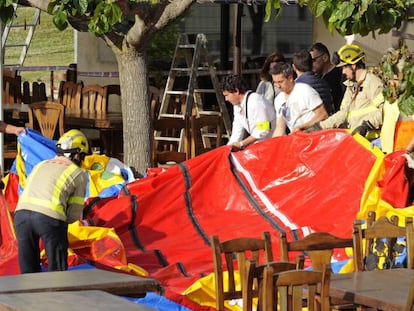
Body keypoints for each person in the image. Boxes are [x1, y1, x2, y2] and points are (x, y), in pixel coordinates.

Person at [14, 129, 89, 273]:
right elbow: (73, 216)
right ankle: (55, 294)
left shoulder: (41, 164)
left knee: (28, 272)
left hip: (21, 217)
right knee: (57, 272)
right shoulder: (77, 173)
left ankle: (29, 294)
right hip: (49, 218)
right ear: (78, 154)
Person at [307, 44, 384, 138]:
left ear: (354, 66)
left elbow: (384, 111)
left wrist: (367, 125)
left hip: (373, 143)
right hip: (358, 141)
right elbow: (343, 113)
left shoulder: (372, 82)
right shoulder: (352, 86)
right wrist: (320, 126)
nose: (343, 72)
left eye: (344, 67)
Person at [270, 62, 328, 137]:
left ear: (290, 78)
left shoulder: (305, 90)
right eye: (275, 82)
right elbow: (280, 128)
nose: (278, 86)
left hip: (314, 137)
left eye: (280, 82)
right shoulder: (278, 99)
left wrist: (303, 127)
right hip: (297, 140)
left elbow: (323, 115)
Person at [221, 74, 276, 151]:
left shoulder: (256, 101)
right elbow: (237, 130)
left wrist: (242, 144)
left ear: (236, 91)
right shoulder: (237, 106)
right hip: (259, 146)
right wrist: (228, 149)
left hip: (273, 144)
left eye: (227, 95)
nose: (226, 99)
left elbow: (264, 129)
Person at [292, 49, 335, 115]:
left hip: (308, 123)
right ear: (312, 64)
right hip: (326, 122)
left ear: (294, 67)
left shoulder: (295, 86)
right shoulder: (324, 83)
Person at [309, 42, 346, 112]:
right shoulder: (315, 77)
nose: (311, 64)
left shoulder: (340, 74)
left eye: (313, 60)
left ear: (325, 58)